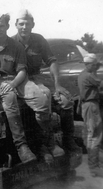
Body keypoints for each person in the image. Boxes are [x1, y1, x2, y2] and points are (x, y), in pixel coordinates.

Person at [11, 9, 81, 156]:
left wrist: (57, 84)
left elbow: (52, 61)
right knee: (40, 101)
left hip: (38, 78)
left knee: (65, 101)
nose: (24, 27)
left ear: (33, 25)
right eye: (21, 24)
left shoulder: (39, 40)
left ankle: (68, 139)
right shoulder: (11, 43)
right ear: (16, 25)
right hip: (21, 80)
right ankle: (46, 142)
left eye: (27, 24)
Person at [0, 11, 39, 164]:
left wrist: (13, 84)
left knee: (39, 98)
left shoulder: (16, 46)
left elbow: (22, 70)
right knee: (10, 96)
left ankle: (42, 144)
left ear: (8, 26)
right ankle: (21, 146)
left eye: (2, 26)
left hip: (12, 80)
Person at [78, 53, 103, 177]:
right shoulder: (89, 76)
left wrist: (96, 66)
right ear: (88, 65)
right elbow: (101, 83)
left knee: (90, 134)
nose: (96, 67)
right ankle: (94, 167)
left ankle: (93, 164)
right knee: (95, 135)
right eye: (94, 65)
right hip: (91, 106)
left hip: (87, 105)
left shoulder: (83, 74)